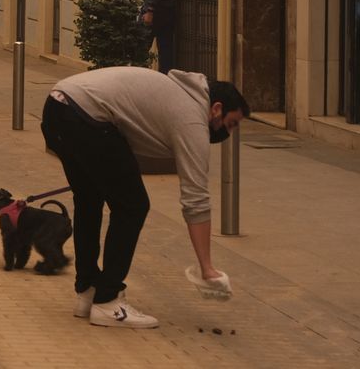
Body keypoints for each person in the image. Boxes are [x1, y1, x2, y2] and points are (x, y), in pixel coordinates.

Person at [37, 66, 249, 329]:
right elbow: (195, 199)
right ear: (216, 109)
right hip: (86, 117)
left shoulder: (180, 95)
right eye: (230, 124)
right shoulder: (192, 118)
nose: (228, 133)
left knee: (89, 199)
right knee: (133, 206)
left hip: (57, 106)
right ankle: (108, 300)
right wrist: (207, 268)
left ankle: (88, 291)